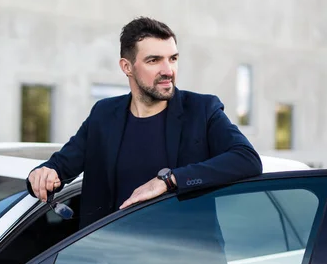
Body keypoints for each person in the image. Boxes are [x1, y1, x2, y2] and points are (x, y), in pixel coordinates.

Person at [27, 16, 262, 229]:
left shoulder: (202, 110)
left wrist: (169, 181)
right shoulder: (104, 114)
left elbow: (247, 159)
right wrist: (42, 175)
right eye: (154, 60)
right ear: (127, 67)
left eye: (173, 58)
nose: (168, 70)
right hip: (107, 263)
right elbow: (58, 167)